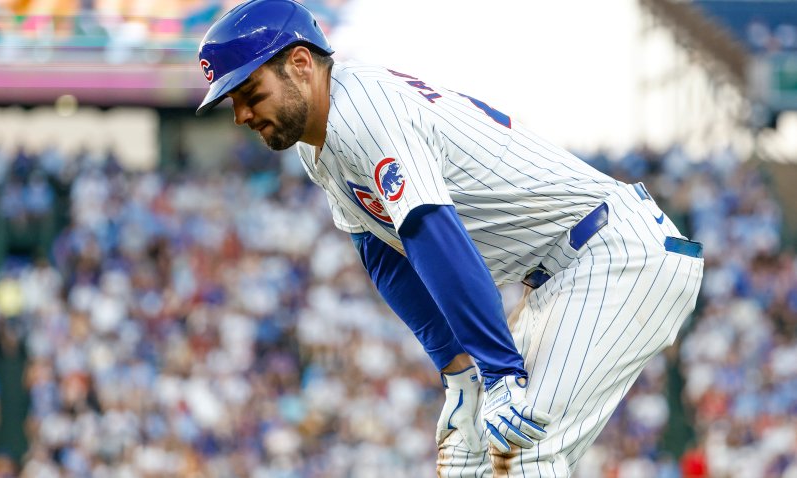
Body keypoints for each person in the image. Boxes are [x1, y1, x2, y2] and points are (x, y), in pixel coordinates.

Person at [195, 1, 705, 476]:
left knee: (521, 446)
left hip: (615, 253)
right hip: (565, 273)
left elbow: (432, 232)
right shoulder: (319, 147)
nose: (240, 114)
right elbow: (384, 256)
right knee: (472, 458)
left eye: (249, 93)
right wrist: (459, 370)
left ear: (301, 63)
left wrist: (500, 373)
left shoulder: (364, 109)